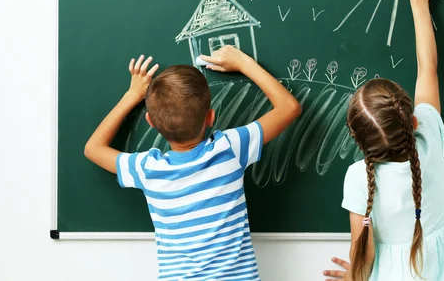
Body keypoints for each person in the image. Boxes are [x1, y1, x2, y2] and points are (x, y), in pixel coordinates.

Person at [84, 46, 301, 280]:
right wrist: (244, 63)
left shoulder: (148, 170)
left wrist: (132, 95)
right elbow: (289, 107)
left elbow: (93, 149)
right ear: (210, 117)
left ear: (150, 122)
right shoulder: (229, 149)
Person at [323, 0, 444, 281]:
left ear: (358, 140)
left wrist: (355, 275)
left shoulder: (358, 180)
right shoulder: (429, 141)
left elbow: (362, 249)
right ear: (413, 122)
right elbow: (427, 68)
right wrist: (419, 3)